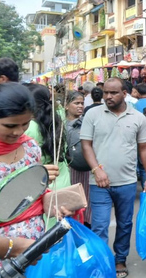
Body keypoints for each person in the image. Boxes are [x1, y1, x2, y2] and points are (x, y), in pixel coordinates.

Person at [0, 83, 61, 274]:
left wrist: (52, 200)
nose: (18, 132)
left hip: (34, 250)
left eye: (25, 124)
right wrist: (22, 186)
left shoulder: (30, 147)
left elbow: (32, 199)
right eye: (10, 125)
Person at [80, 78, 146, 278]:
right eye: (106, 93)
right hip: (99, 183)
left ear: (124, 94)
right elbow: (86, 145)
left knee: (125, 224)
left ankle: (120, 259)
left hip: (128, 182)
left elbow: (144, 149)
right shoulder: (93, 114)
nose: (108, 97)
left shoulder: (138, 117)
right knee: (100, 226)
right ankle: (101, 263)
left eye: (113, 93)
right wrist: (96, 170)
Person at [24, 84, 71, 227]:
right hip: (61, 180)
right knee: (58, 233)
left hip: (41, 186)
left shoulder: (29, 128)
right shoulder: (58, 120)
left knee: (43, 237)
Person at [64, 91, 91, 227]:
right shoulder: (61, 125)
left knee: (87, 199)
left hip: (87, 168)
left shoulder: (88, 121)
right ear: (66, 106)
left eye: (82, 103)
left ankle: (86, 224)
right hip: (69, 168)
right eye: (76, 103)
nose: (80, 106)